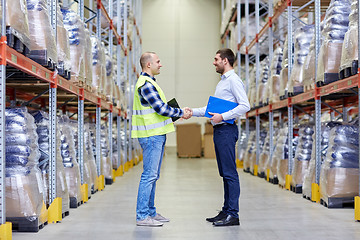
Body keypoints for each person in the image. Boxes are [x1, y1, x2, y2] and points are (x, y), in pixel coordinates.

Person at [188, 48, 250, 226]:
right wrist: (191, 112)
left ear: (225, 61)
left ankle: (233, 214)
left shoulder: (233, 81)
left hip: (227, 130)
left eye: (216, 59)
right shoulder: (222, 82)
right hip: (220, 131)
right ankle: (225, 211)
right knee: (224, 173)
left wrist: (223, 117)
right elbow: (211, 111)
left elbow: (245, 105)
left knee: (230, 174)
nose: (213, 62)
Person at [131, 52, 192, 227]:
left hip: (156, 135)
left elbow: (160, 110)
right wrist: (181, 113)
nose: (161, 64)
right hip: (151, 137)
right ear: (148, 65)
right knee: (149, 176)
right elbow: (161, 109)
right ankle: (142, 216)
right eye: (158, 61)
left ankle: (150, 212)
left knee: (153, 175)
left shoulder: (150, 83)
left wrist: (178, 114)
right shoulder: (146, 84)